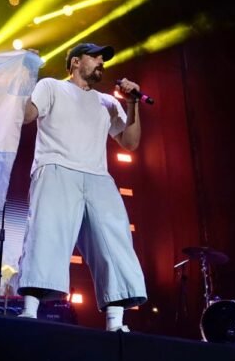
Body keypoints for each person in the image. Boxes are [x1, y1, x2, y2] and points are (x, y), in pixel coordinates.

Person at [17, 42, 147, 332]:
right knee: (46, 235)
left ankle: (115, 323)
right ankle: (29, 312)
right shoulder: (51, 86)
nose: (101, 62)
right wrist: (25, 76)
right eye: (95, 56)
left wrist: (132, 102)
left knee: (114, 242)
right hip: (55, 167)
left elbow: (130, 142)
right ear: (75, 62)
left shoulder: (107, 102)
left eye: (104, 58)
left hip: (98, 175)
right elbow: (26, 116)